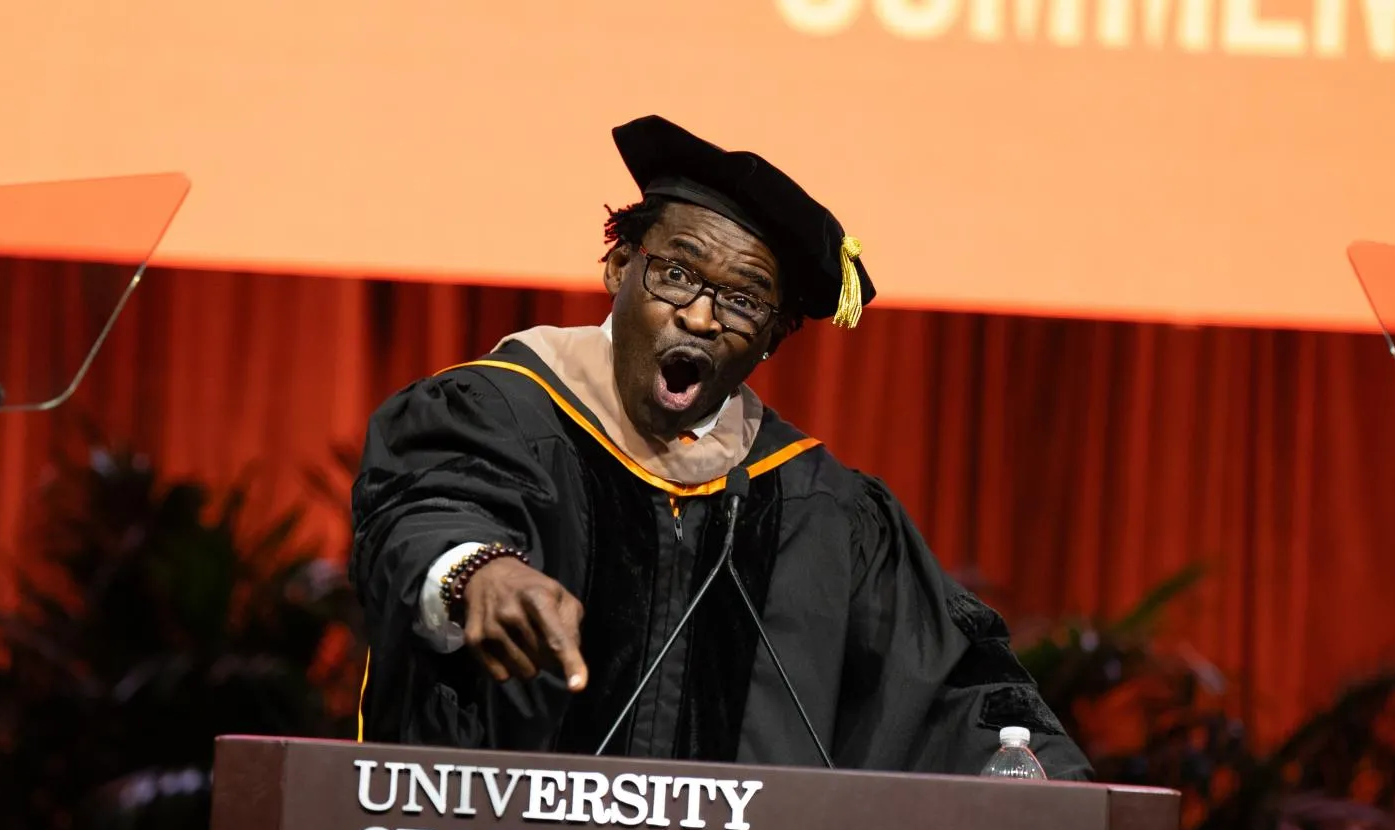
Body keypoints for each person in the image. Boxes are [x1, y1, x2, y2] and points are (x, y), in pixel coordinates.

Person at [350, 115, 1090, 779]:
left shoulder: (822, 509)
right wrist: (477, 570)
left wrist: (1062, 797)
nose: (701, 317)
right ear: (619, 267)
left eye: (742, 299)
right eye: (676, 274)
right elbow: (426, 510)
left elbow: (956, 684)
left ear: (773, 337)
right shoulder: (500, 412)